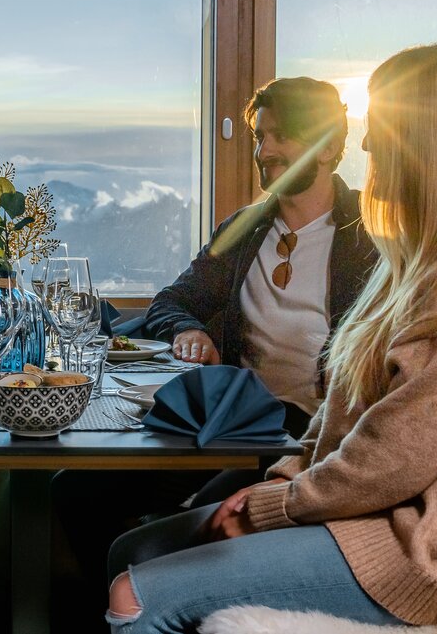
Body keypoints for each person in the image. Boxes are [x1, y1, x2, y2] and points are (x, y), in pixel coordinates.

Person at [105, 44, 437, 632]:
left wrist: (274, 504)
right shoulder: (416, 262)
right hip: (351, 506)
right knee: (132, 551)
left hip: (395, 547)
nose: (368, 146)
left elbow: (392, 457)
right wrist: (285, 475)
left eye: (381, 128)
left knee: (135, 592)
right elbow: (352, 416)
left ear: (432, 143)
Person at [52, 78, 375, 631]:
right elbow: (173, 300)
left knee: (176, 535)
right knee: (74, 490)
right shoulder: (245, 229)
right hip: (234, 422)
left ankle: (162, 601)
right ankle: (116, 617)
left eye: (282, 136)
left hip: (308, 438)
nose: (264, 150)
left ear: (327, 145)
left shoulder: (369, 233)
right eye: (259, 135)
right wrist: (187, 331)